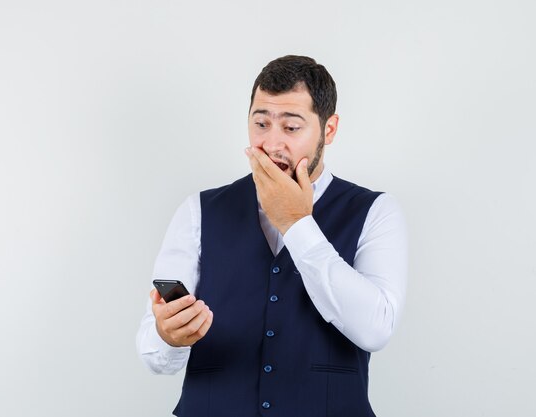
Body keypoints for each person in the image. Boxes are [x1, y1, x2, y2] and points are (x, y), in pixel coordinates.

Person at [136, 55, 408, 417]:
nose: (271, 144)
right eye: (261, 123)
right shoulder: (197, 210)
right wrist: (167, 334)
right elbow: (154, 355)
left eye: (291, 128)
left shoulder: (376, 211)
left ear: (329, 129)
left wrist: (296, 223)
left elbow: (375, 330)